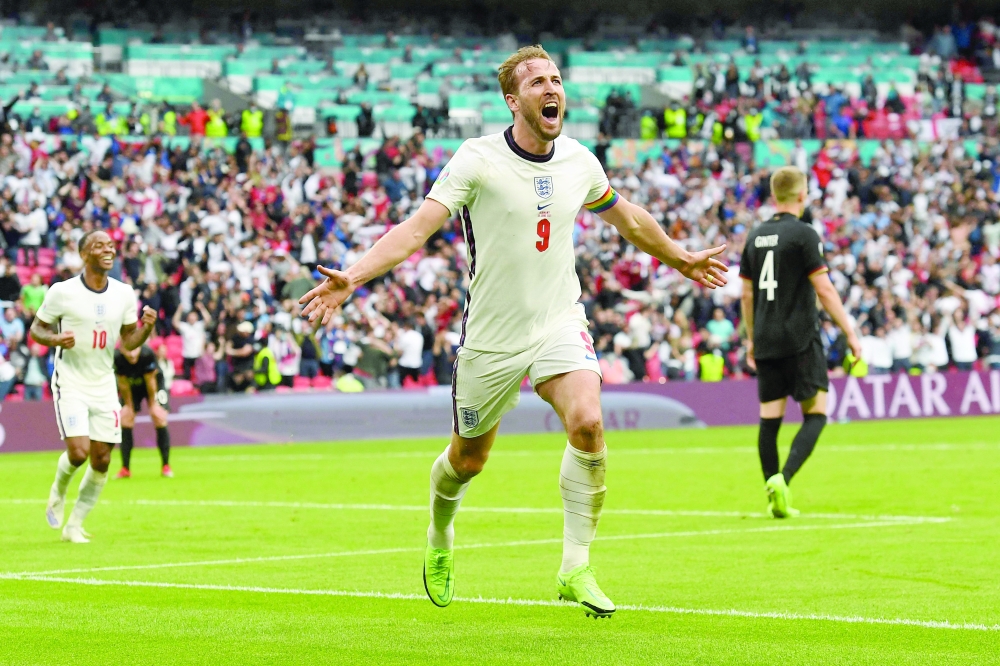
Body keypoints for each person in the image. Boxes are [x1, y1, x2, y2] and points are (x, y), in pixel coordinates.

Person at [299, 45, 728, 618]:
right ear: (513, 100)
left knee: (589, 423)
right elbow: (416, 228)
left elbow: (628, 217)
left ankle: (575, 566)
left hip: (558, 320)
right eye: (536, 83)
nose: (551, 89)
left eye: (555, 79)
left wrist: (680, 258)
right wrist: (351, 276)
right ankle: (439, 533)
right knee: (468, 460)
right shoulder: (476, 160)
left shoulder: (579, 160)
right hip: (492, 338)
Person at [739, 166, 861, 519]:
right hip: (800, 337)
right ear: (803, 196)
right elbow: (823, 288)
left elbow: (746, 295)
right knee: (817, 414)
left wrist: (751, 338)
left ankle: (771, 490)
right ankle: (783, 479)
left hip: (764, 337)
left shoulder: (755, 236)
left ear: (774, 196)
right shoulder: (805, 234)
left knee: (769, 420)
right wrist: (850, 332)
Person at [30, 230, 156, 543]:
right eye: (99, 245)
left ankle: (74, 526)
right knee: (79, 452)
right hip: (70, 380)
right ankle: (58, 492)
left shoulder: (124, 293)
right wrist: (56, 339)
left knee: (101, 460)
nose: (108, 250)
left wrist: (146, 329)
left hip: (103, 383)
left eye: (111, 245)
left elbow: (128, 341)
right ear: (84, 253)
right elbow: (37, 329)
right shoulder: (63, 291)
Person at [113, 344, 172, 479]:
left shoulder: (147, 354)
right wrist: (128, 405)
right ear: (122, 349)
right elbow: (122, 382)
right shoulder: (117, 357)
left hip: (154, 383)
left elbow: (150, 381)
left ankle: (166, 466)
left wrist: (153, 405)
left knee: (159, 417)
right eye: (129, 351)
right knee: (126, 419)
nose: (132, 355)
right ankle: (125, 469)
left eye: (135, 350)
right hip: (131, 385)